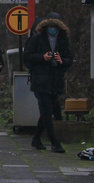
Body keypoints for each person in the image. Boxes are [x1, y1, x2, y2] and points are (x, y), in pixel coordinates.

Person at [24, 11, 72, 152]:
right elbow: (27, 57)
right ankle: (54, 142)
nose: (53, 30)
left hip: (55, 80)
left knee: (47, 111)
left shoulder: (63, 40)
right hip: (40, 80)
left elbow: (69, 58)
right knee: (46, 110)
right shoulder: (37, 39)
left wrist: (62, 61)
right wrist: (42, 58)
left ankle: (37, 138)